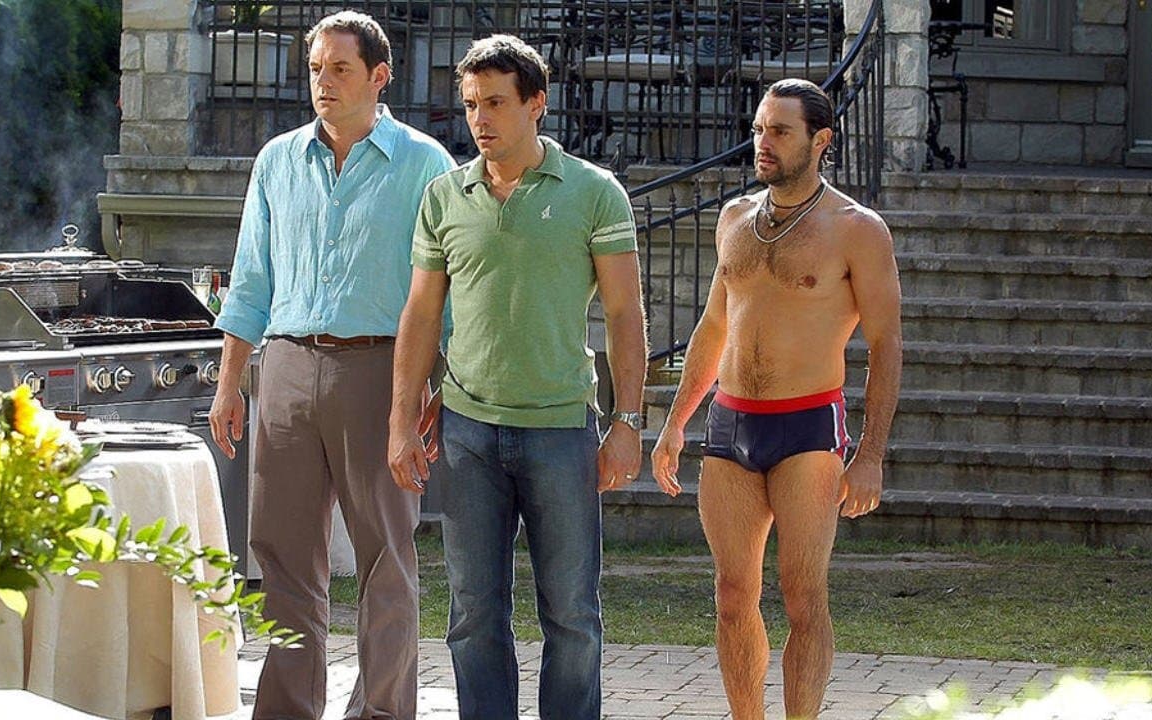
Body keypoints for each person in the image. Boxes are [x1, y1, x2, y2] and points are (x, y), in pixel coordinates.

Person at [386, 34, 647, 720]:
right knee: (472, 614)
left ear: (537, 104)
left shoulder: (595, 193)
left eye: (496, 102)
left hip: (561, 428)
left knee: (572, 614)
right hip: (466, 430)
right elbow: (421, 314)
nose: (480, 118)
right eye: (472, 104)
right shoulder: (445, 196)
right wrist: (401, 419)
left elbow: (625, 313)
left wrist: (628, 421)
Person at [209, 11, 455, 720]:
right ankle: (287, 709)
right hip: (285, 367)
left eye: (340, 68)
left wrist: (438, 388)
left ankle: (381, 712)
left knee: (385, 559)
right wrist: (231, 383)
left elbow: (448, 290)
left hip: (381, 372)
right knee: (282, 556)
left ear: (379, 77)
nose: (323, 81)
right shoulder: (277, 160)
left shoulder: (425, 165)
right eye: (316, 68)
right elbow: (250, 279)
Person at [649, 78, 902, 720]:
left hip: (807, 426)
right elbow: (714, 325)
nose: (763, 142)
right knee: (733, 595)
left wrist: (871, 455)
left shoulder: (857, 229)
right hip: (730, 423)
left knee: (802, 598)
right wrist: (676, 422)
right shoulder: (735, 218)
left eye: (780, 131)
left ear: (821, 141)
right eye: (760, 128)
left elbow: (886, 344)